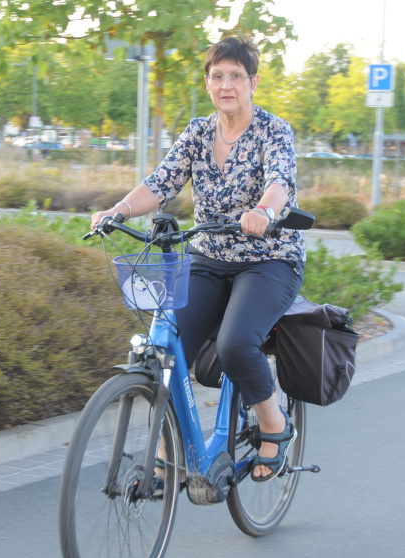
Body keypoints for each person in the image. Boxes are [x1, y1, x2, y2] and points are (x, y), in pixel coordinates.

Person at [90, 36, 305, 482]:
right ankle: (169, 451)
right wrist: (118, 210)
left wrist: (263, 212)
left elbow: (279, 183)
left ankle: (274, 425)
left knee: (234, 344)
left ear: (253, 82)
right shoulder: (197, 133)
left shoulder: (274, 130)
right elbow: (159, 183)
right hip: (207, 257)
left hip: (267, 261)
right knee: (164, 349)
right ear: (208, 83)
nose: (227, 85)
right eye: (218, 76)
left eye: (236, 76)